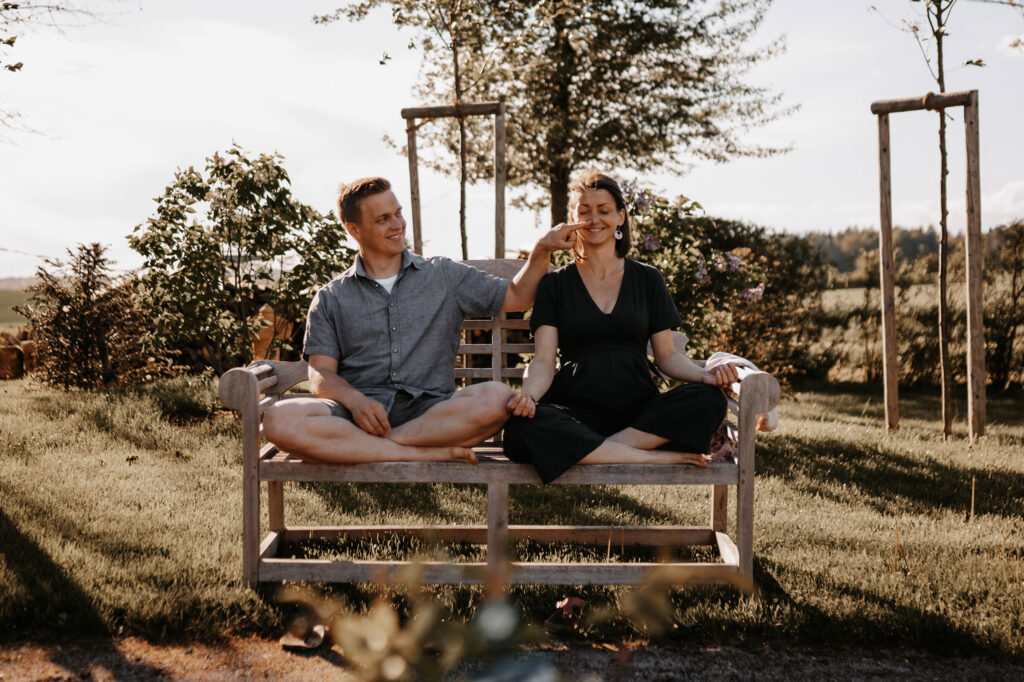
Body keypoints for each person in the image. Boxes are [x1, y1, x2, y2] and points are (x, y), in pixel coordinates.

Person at [262, 176, 586, 464]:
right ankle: (412, 453)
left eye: (398, 213)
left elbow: (516, 296)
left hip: (432, 413)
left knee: (498, 398)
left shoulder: (442, 274)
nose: (397, 225)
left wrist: (541, 250)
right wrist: (356, 402)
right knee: (278, 419)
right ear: (354, 230)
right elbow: (320, 375)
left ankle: (368, 448)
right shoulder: (332, 297)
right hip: (355, 413)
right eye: (383, 219)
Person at [502, 171, 741, 484]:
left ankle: (595, 450)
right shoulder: (554, 285)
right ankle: (642, 455)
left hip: (639, 412)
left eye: (603, 210)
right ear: (572, 219)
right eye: (584, 211)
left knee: (709, 400)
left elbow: (667, 356)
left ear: (620, 217)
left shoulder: (648, 279)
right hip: (576, 411)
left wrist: (705, 376)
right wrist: (529, 397)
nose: (594, 219)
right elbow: (544, 360)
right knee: (520, 426)